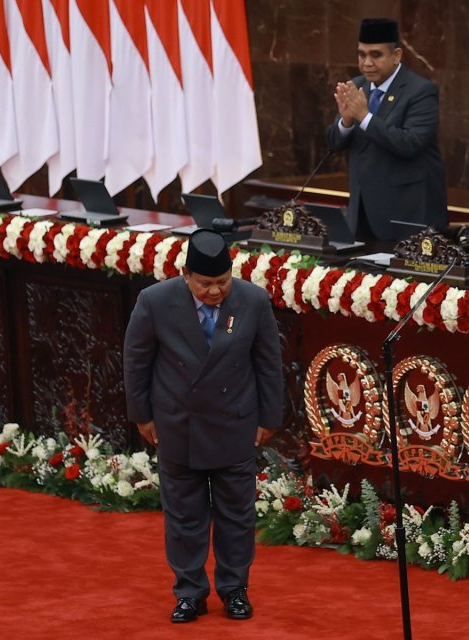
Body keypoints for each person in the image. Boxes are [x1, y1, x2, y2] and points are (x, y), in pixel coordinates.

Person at [123, 229, 284, 623]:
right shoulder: (155, 302)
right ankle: (189, 593)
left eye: (222, 282)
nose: (215, 291)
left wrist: (269, 418)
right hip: (178, 426)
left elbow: (268, 364)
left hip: (235, 424)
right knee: (184, 518)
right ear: (185, 275)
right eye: (206, 283)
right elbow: (136, 361)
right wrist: (142, 415)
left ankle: (234, 590)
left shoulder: (253, 300)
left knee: (236, 516)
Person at [326, 17, 447, 241]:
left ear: (396, 55)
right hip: (361, 213)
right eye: (362, 54)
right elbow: (333, 143)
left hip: (406, 217)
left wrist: (364, 117)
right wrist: (346, 122)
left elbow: (410, 143)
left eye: (376, 55)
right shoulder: (357, 86)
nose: (367, 63)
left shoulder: (420, 91)